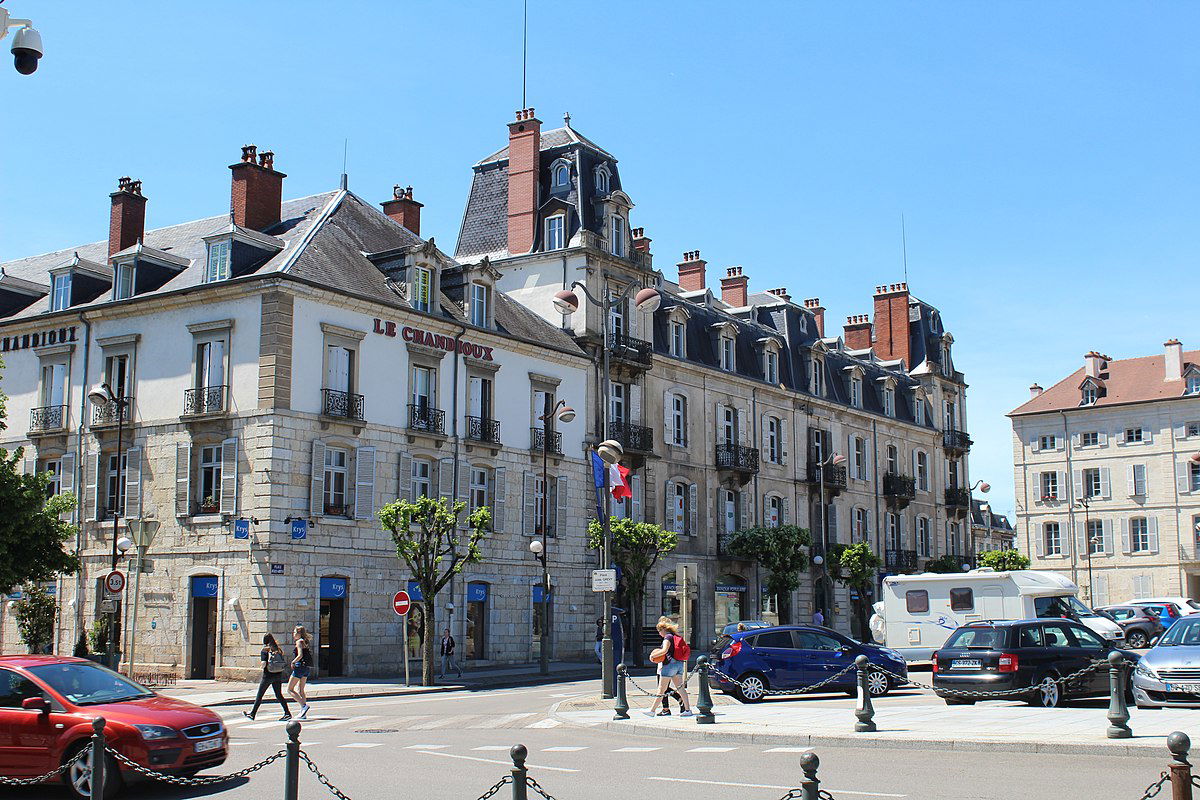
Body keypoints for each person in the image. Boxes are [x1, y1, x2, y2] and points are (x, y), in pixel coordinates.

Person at [646, 617, 692, 717]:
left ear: (664, 629)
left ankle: (652, 711)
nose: (659, 633)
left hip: (669, 665)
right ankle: (688, 710)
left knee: (661, 689)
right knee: (680, 688)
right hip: (679, 664)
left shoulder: (667, 637)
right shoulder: (675, 636)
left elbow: (665, 650)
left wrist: (652, 656)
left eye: (659, 631)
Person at [243, 634, 291, 721]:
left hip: (267, 676)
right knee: (279, 695)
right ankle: (287, 713)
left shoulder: (265, 650)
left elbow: (263, 663)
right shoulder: (278, 649)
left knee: (259, 695)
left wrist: (260, 667)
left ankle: (252, 714)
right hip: (278, 674)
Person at [287, 625, 313, 720]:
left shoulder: (299, 642)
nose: (293, 634)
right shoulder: (305, 641)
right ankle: (303, 713)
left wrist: (293, 661)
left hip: (299, 667)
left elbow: (300, 655)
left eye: (294, 632)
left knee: (290, 689)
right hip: (306, 668)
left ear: (299, 633)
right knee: (301, 690)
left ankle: (303, 706)